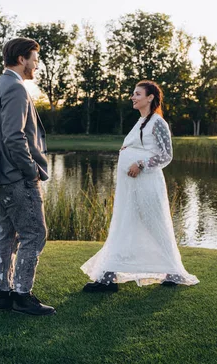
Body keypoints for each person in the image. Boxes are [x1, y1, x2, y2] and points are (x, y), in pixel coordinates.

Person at [81, 80, 199, 291]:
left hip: (147, 184)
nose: (132, 97)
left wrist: (141, 163)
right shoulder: (141, 121)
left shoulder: (158, 122)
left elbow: (166, 155)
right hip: (132, 187)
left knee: (156, 225)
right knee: (124, 224)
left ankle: (173, 272)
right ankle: (109, 276)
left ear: (150, 97)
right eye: (133, 94)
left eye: (137, 94)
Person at [0, 37, 55, 316]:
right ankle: (22, 296)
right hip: (16, 175)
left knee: (8, 234)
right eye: (34, 59)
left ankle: (5, 293)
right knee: (34, 233)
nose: (37, 64)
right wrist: (31, 171)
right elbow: (14, 138)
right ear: (22, 59)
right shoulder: (15, 88)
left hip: (0, 174)